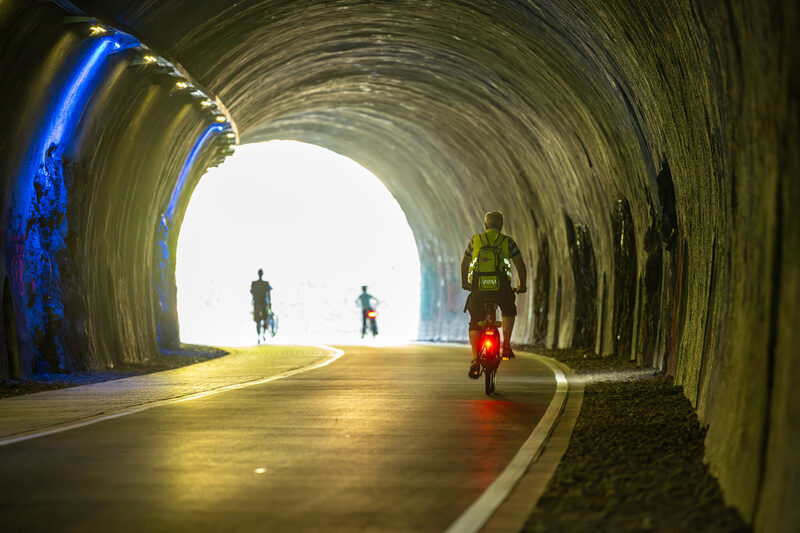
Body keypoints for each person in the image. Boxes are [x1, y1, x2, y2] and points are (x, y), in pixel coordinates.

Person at [462, 211, 527, 378]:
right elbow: (520, 265)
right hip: (501, 288)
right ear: (501, 225)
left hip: (479, 288)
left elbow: (465, 262)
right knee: (508, 308)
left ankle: (476, 359)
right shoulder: (507, 242)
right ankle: (506, 346)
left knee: (475, 320)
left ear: (485, 225)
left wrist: (465, 282)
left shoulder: (475, 240)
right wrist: (522, 285)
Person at [251, 269, 273, 342]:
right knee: (264, 320)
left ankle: (260, 335)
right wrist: (269, 304)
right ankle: (262, 335)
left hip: (257, 304)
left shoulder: (254, 283)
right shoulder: (265, 283)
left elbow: (252, 293)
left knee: (259, 321)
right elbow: (268, 294)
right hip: (262, 304)